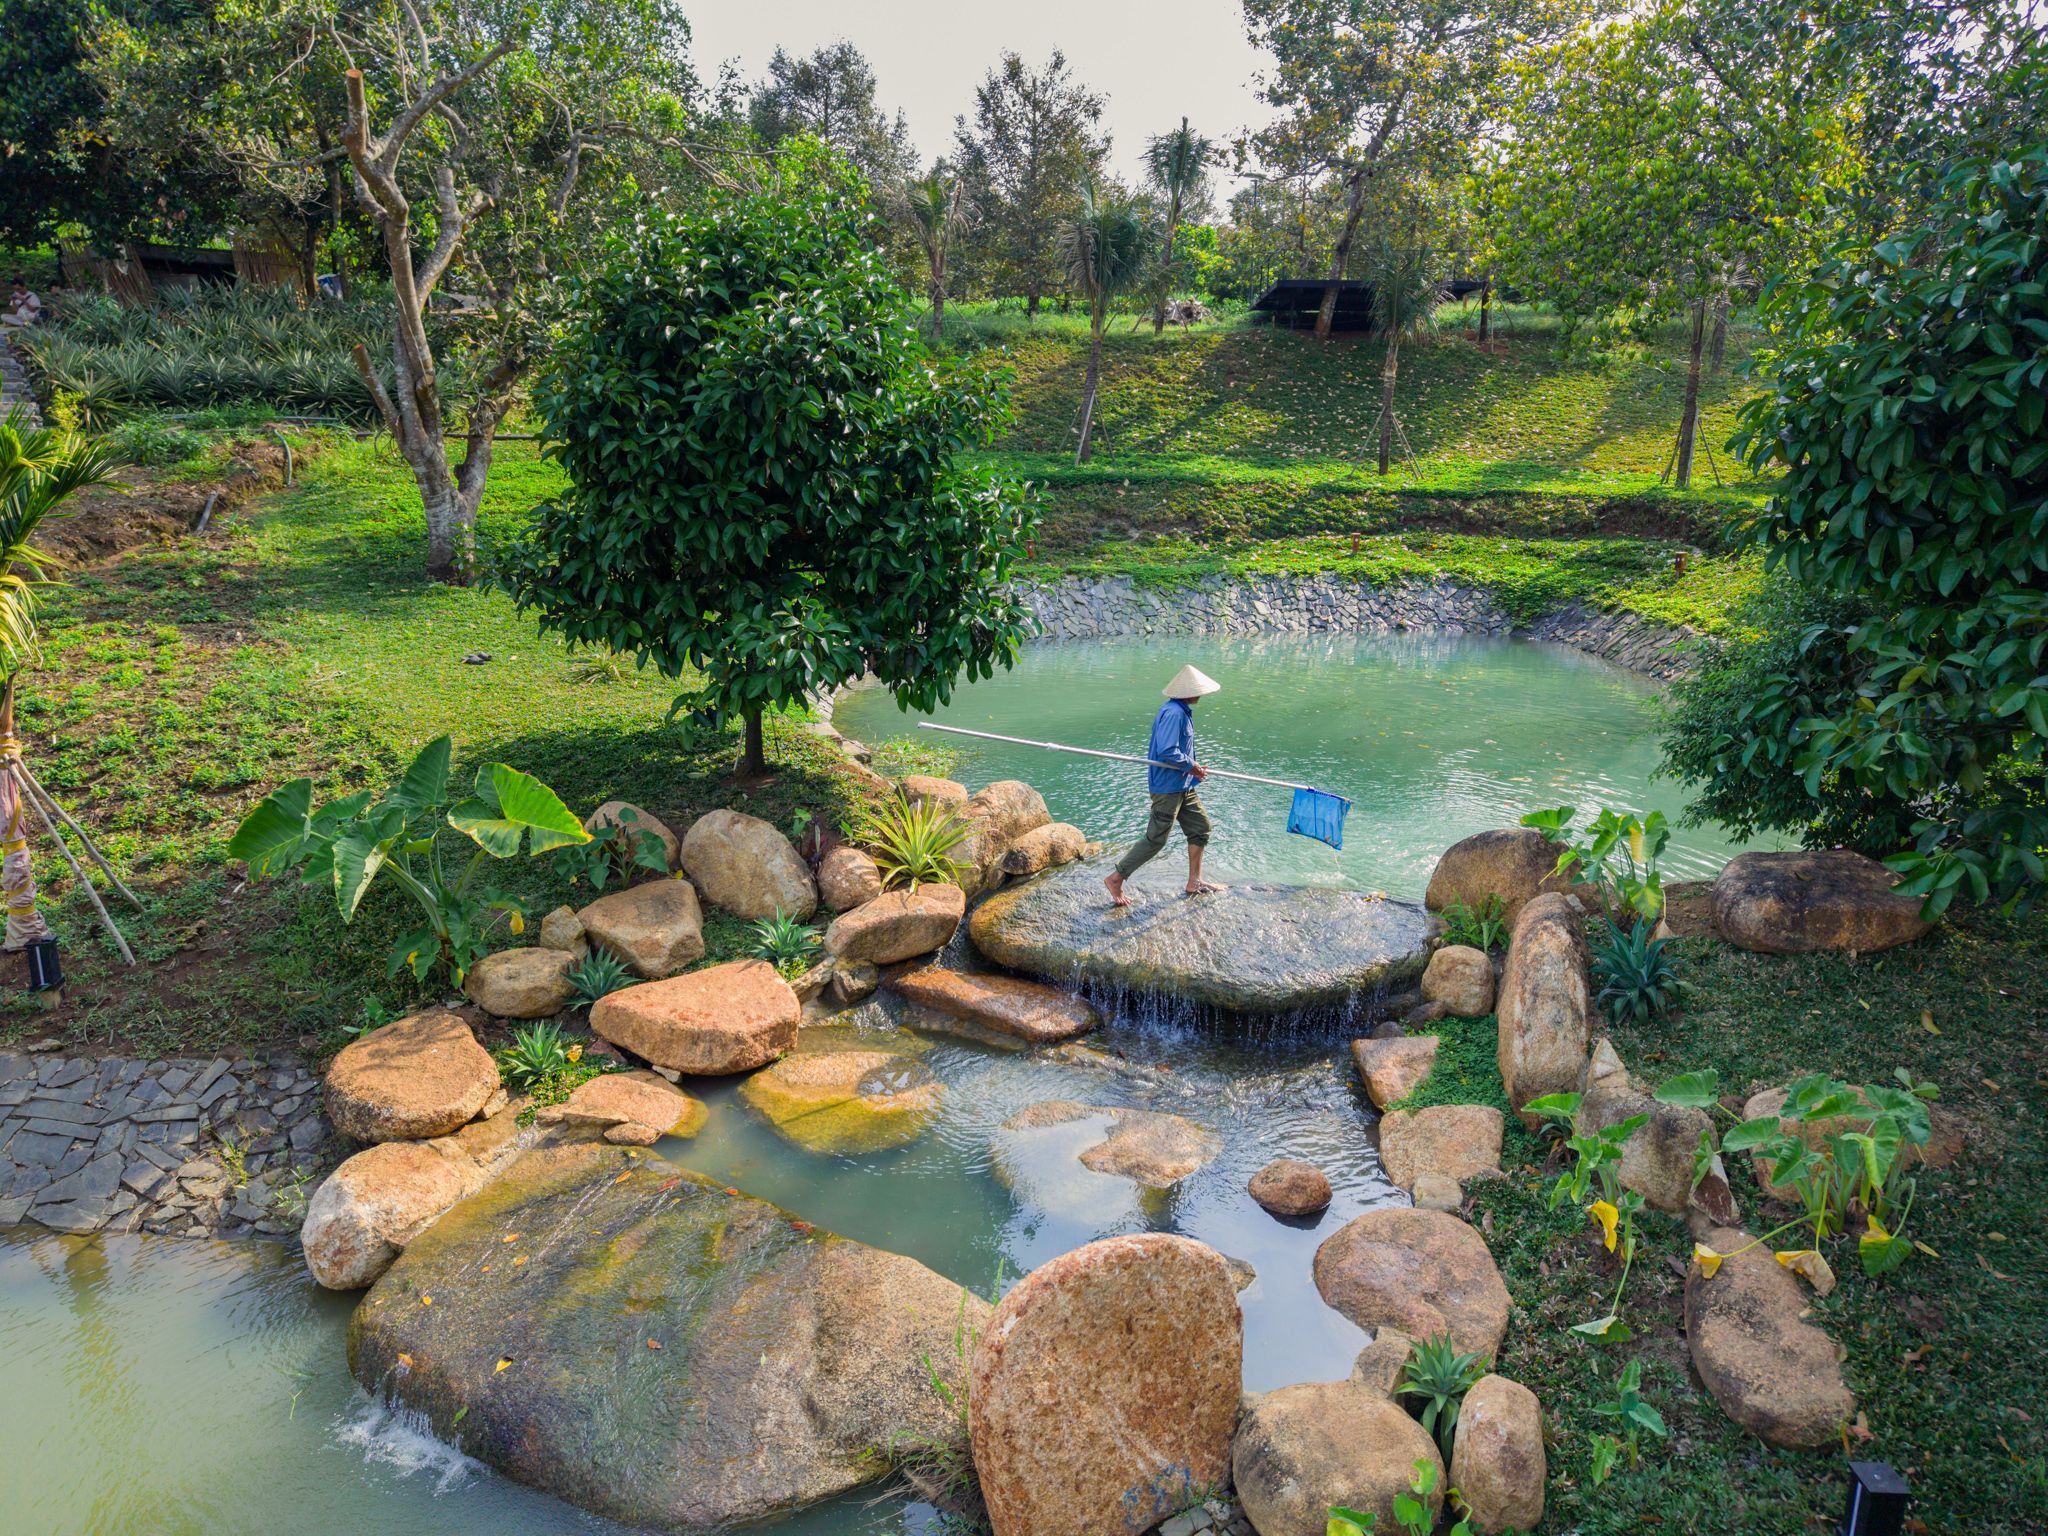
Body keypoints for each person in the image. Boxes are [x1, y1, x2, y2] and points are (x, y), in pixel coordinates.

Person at [1104, 664, 1226, 906]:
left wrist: (1193, 769)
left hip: (1183, 784)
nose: (1201, 694)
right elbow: (1168, 750)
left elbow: (1178, 750)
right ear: (1187, 692)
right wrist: (1190, 766)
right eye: (1198, 690)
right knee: (1156, 838)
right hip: (1168, 788)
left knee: (1200, 828)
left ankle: (1194, 881)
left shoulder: (1181, 710)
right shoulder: (1174, 713)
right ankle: (1116, 878)